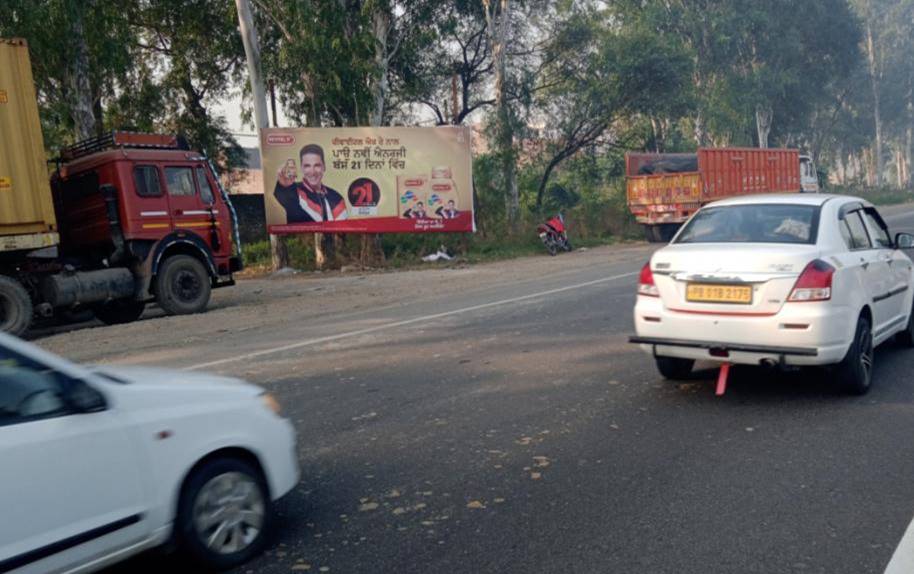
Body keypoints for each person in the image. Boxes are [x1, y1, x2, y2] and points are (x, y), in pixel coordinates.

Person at [274, 144, 348, 223]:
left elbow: (342, 230)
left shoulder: (337, 198)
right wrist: (284, 186)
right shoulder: (293, 190)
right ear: (301, 168)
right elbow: (283, 195)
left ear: (324, 167)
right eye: (307, 166)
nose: (312, 172)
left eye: (317, 165)